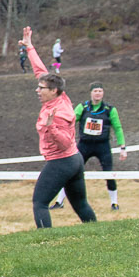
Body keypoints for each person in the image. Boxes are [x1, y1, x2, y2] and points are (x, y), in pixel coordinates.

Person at [22, 27, 98, 228]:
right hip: (74, 160)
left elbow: (65, 143)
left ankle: (46, 242)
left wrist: (51, 128)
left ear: (53, 91)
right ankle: (98, 233)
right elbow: (41, 72)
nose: (37, 90)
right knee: (80, 203)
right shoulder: (61, 96)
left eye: (41, 89)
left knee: (40, 203)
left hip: (62, 161)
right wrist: (30, 47)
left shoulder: (57, 114)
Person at [73, 84, 128, 210]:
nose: (98, 93)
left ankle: (114, 203)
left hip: (102, 146)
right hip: (84, 145)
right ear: (91, 93)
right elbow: (70, 121)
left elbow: (118, 128)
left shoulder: (110, 109)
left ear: (103, 93)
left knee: (109, 174)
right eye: (95, 91)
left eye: (100, 91)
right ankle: (60, 201)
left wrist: (122, 148)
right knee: (72, 171)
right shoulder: (83, 107)